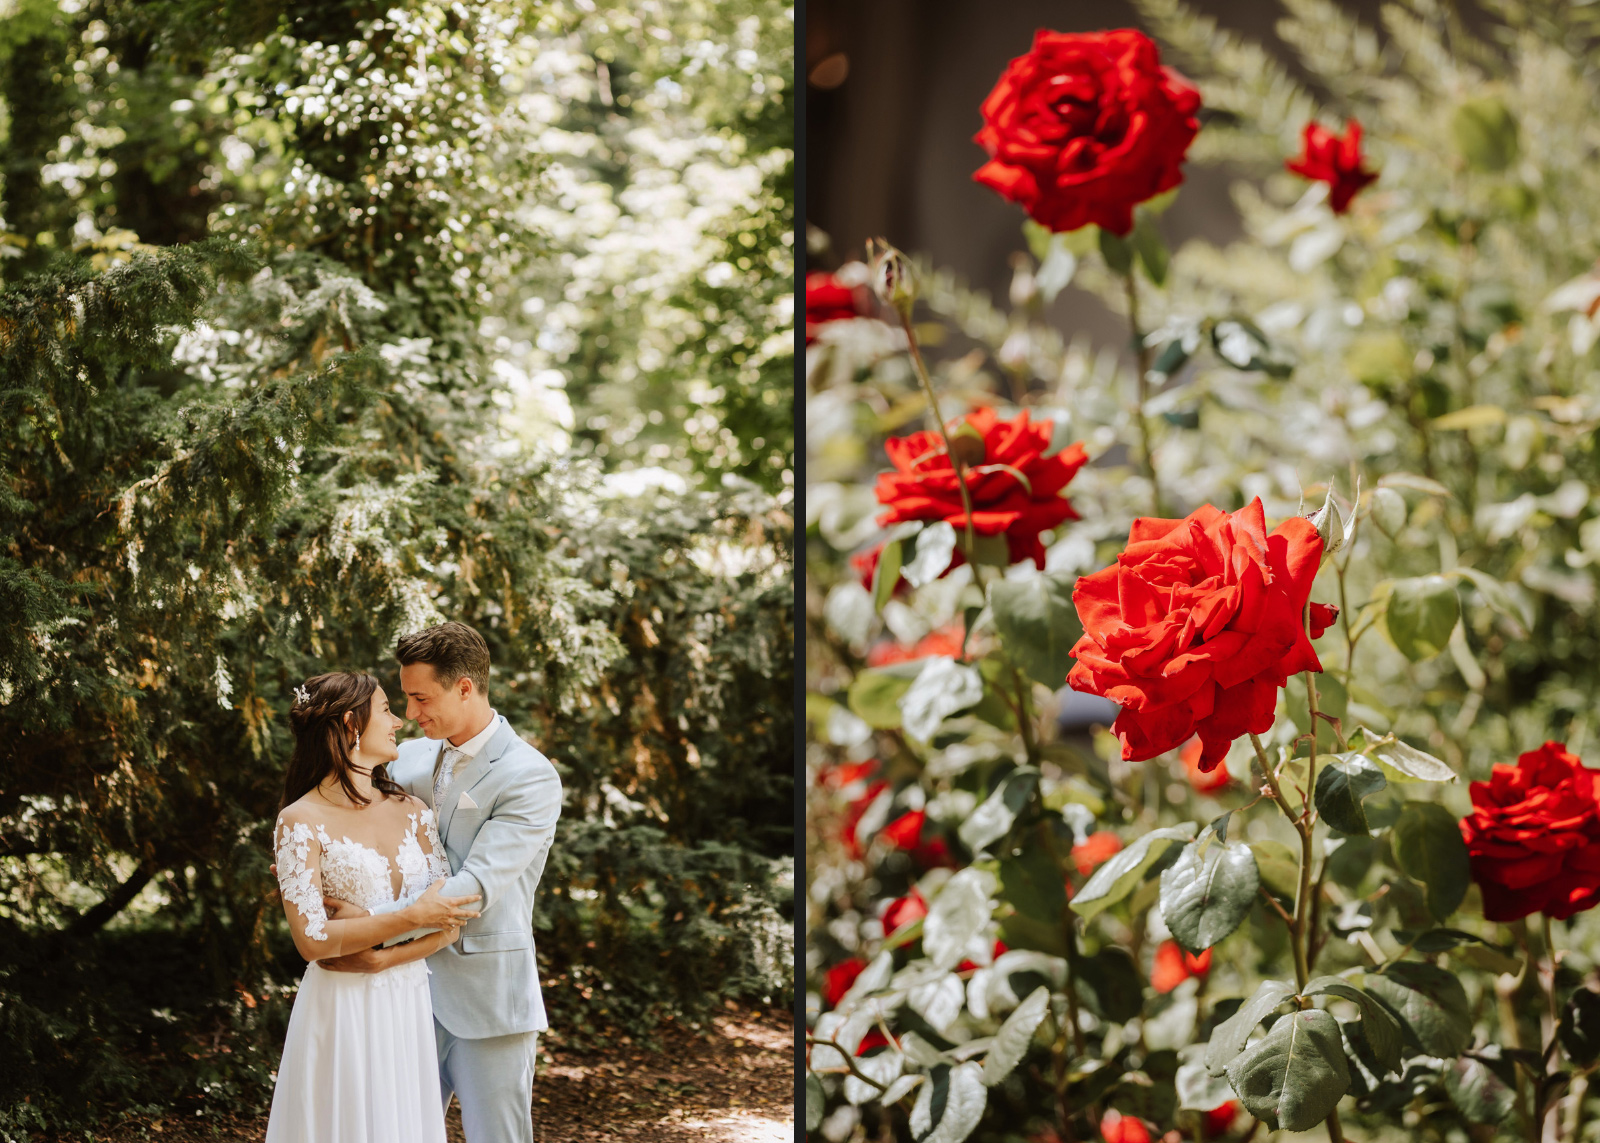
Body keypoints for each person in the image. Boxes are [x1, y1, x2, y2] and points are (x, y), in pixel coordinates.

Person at [318, 622, 563, 1143]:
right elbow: (348, 814)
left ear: (466, 688)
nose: (410, 714)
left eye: (420, 698)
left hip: (489, 997)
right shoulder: (406, 759)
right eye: (404, 699)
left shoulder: (529, 775)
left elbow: (476, 884)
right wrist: (310, 860)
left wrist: (378, 930)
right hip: (403, 993)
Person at [265, 672, 483, 1143]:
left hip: (407, 1002)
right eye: (386, 709)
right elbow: (311, 941)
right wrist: (412, 918)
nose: (399, 721)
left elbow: (449, 924)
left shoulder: (413, 810)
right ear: (351, 723)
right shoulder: (298, 822)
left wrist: (380, 955)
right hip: (340, 1007)